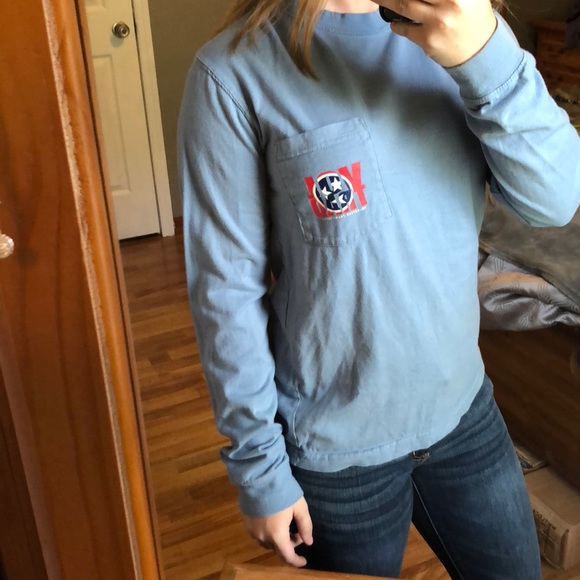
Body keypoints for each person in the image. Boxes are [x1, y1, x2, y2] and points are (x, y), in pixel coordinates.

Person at [178, 0, 580, 577]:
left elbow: (553, 203)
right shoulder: (232, 72)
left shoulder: (468, 27)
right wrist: (259, 467)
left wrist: (486, 57)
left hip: (465, 412)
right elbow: (226, 293)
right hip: (336, 456)